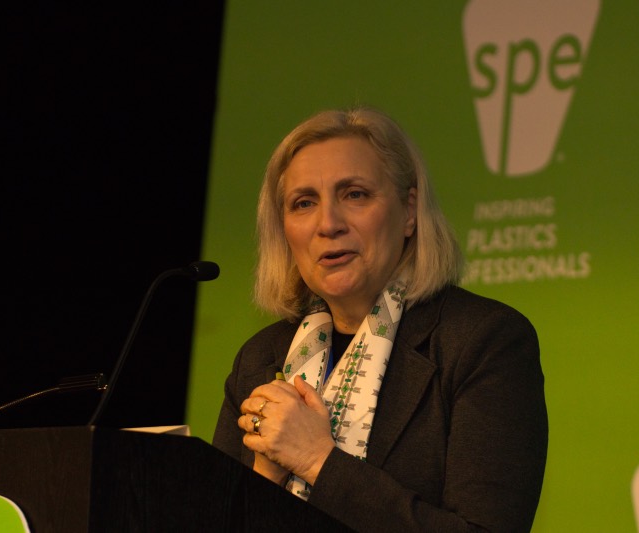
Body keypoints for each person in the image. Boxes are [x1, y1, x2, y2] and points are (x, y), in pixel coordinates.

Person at [211, 106, 548, 532]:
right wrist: (265, 475)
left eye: (354, 194)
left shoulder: (484, 341)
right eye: (304, 203)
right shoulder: (260, 357)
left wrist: (316, 461)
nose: (328, 224)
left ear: (409, 211)